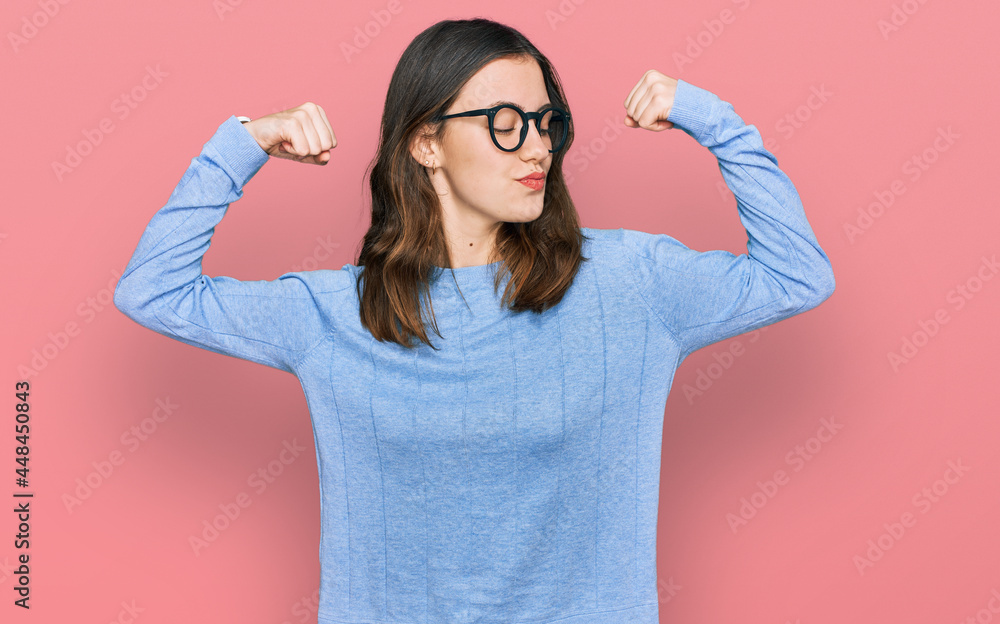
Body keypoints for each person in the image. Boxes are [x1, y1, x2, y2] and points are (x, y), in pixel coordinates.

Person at [114, 17, 834, 624]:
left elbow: (797, 274)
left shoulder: (630, 285)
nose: (538, 146)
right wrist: (245, 143)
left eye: (546, 122)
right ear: (426, 144)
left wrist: (710, 119)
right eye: (505, 124)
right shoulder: (335, 313)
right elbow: (152, 289)